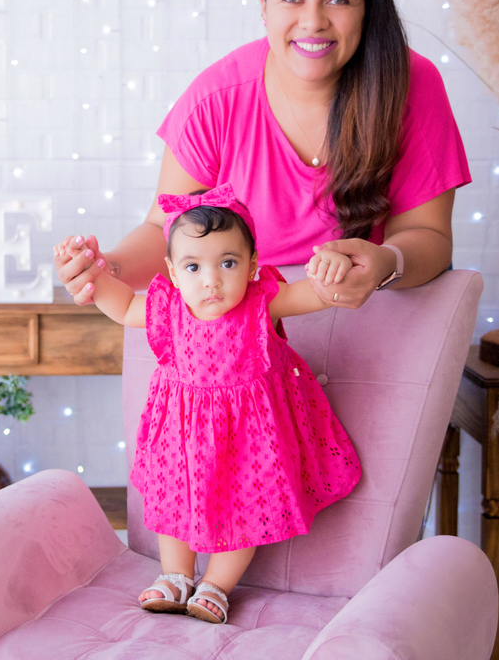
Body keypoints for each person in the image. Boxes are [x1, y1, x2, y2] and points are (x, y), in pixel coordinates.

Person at [55, 0, 470, 618]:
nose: (314, 19)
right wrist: (103, 266)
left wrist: (385, 259)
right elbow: (165, 229)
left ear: (369, 8)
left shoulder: (412, 86)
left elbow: (430, 235)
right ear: (263, 5)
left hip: (352, 318)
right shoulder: (218, 96)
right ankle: (192, 578)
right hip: (219, 340)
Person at [82, 185, 361, 624]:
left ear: (252, 265)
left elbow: (318, 295)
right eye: (193, 266)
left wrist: (333, 269)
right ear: (173, 272)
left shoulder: (262, 302)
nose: (210, 280)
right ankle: (175, 575)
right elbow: (119, 305)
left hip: (248, 439)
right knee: (172, 505)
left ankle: (216, 585)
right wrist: (94, 277)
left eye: (227, 263)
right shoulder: (168, 308)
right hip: (180, 437)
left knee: (243, 508)